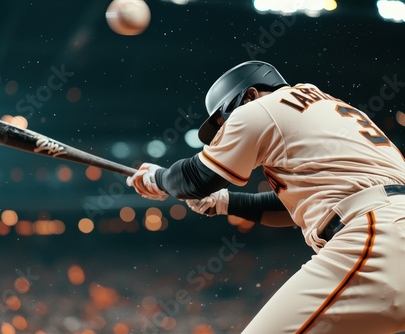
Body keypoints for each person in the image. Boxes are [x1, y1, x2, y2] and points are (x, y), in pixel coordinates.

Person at [126, 60, 405, 333]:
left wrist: (157, 178)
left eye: (224, 117)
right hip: (387, 224)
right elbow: (295, 210)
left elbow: (194, 178)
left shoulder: (262, 107)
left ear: (250, 94)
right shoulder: (328, 109)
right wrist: (224, 202)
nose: (224, 128)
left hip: (376, 236)